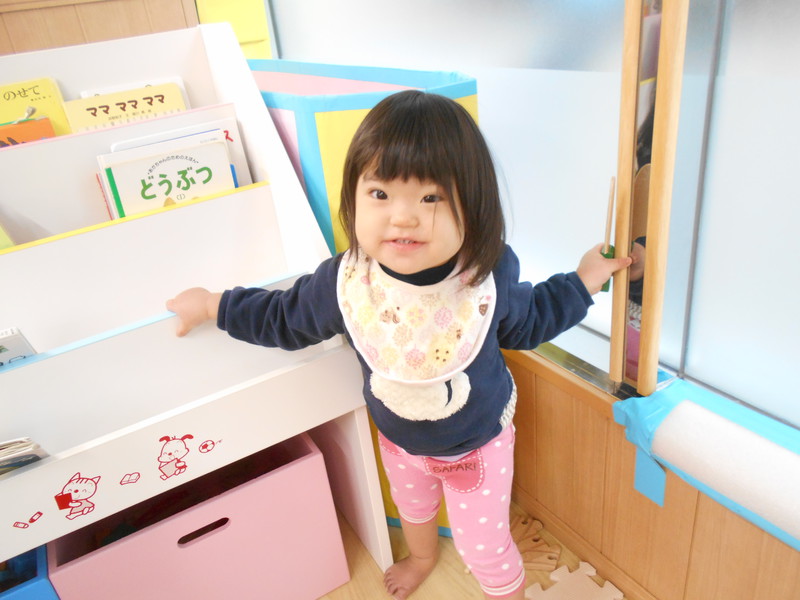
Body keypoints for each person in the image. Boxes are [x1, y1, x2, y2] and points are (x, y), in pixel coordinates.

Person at [166, 90, 631, 600]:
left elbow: (531, 319)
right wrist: (213, 305)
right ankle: (423, 558)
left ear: (474, 208)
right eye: (380, 193)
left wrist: (584, 280)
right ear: (354, 199)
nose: (403, 217)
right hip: (398, 443)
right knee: (413, 510)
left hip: (478, 448)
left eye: (431, 198)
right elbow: (282, 318)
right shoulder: (346, 282)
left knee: (484, 549)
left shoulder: (486, 276)